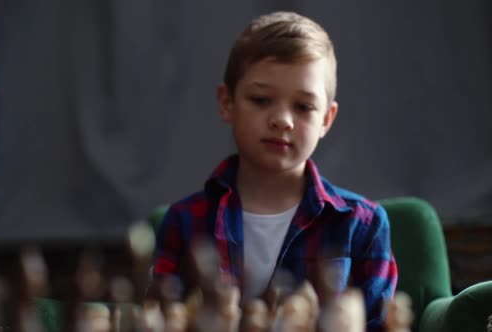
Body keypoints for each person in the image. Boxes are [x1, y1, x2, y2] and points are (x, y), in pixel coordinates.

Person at [149, 11, 397, 331]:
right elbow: (163, 319)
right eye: (261, 99)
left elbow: (378, 324)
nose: (282, 120)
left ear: (326, 119)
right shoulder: (184, 221)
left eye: (303, 107)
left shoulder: (363, 225)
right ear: (227, 103)